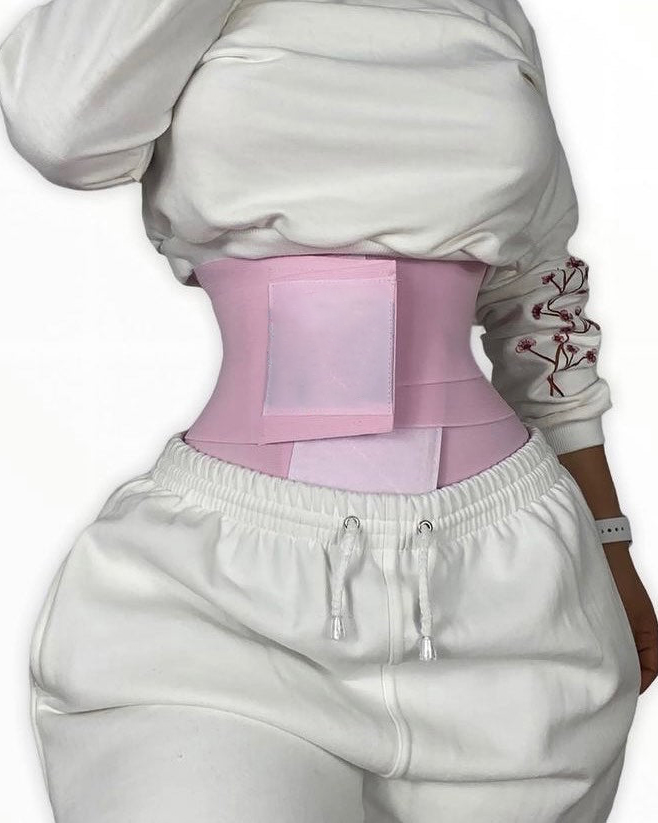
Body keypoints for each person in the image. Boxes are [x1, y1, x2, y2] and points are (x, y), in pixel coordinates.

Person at [0, 0, 656, 821]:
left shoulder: (490, 13)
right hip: (225, 604)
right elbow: (58, 128)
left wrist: (610, 538)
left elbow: (538, 293)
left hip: (514, 592)